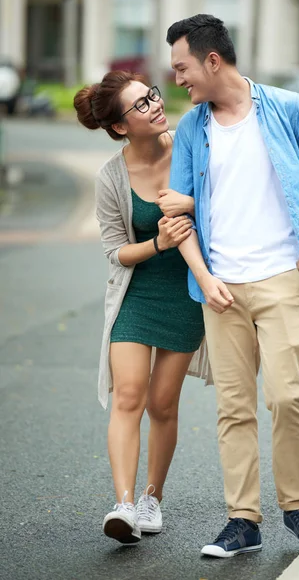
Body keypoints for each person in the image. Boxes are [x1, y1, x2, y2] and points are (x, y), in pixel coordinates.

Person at [163, 14, 299, 558]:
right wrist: (203, 276)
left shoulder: (284, 108)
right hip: (221, 286)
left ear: (213, 60)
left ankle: (298, 508)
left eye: (183, 67)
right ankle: (243, 519)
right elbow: (176, 218)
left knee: (287, 397)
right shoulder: (193, 128)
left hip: (282, 275)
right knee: (233, 408)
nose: (179, 80)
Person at [73, 71, 208, 546]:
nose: (153, 105)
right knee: (128, 396)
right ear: (121, 127)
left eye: (150, 96)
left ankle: (154, 498)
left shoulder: (190, 148)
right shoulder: (112, 176)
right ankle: (125, 505)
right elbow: (115, 251)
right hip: (136, 293)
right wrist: (157, 242)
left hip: (186, 294)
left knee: (162, 403)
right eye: (140, 105)